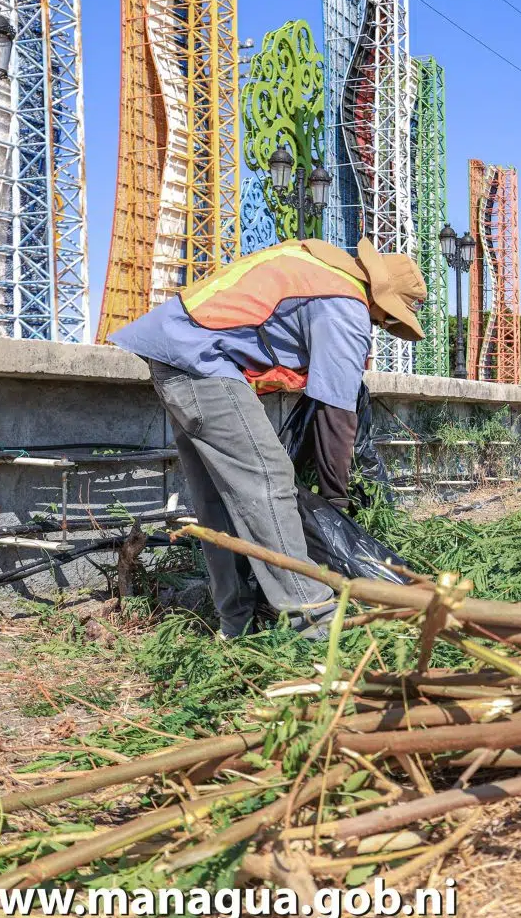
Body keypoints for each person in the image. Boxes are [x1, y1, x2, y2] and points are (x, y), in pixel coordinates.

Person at [108, 237, 426, 639]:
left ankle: (237, 624)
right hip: (202, 362)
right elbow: (336, 415)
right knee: (269, 480)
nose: (381, 325)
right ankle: (313, 621)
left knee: (219, 500)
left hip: (176, 353)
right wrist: (335, 502)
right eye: (387, 319)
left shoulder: (319, 267)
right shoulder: (346, 305)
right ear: (381, 300)